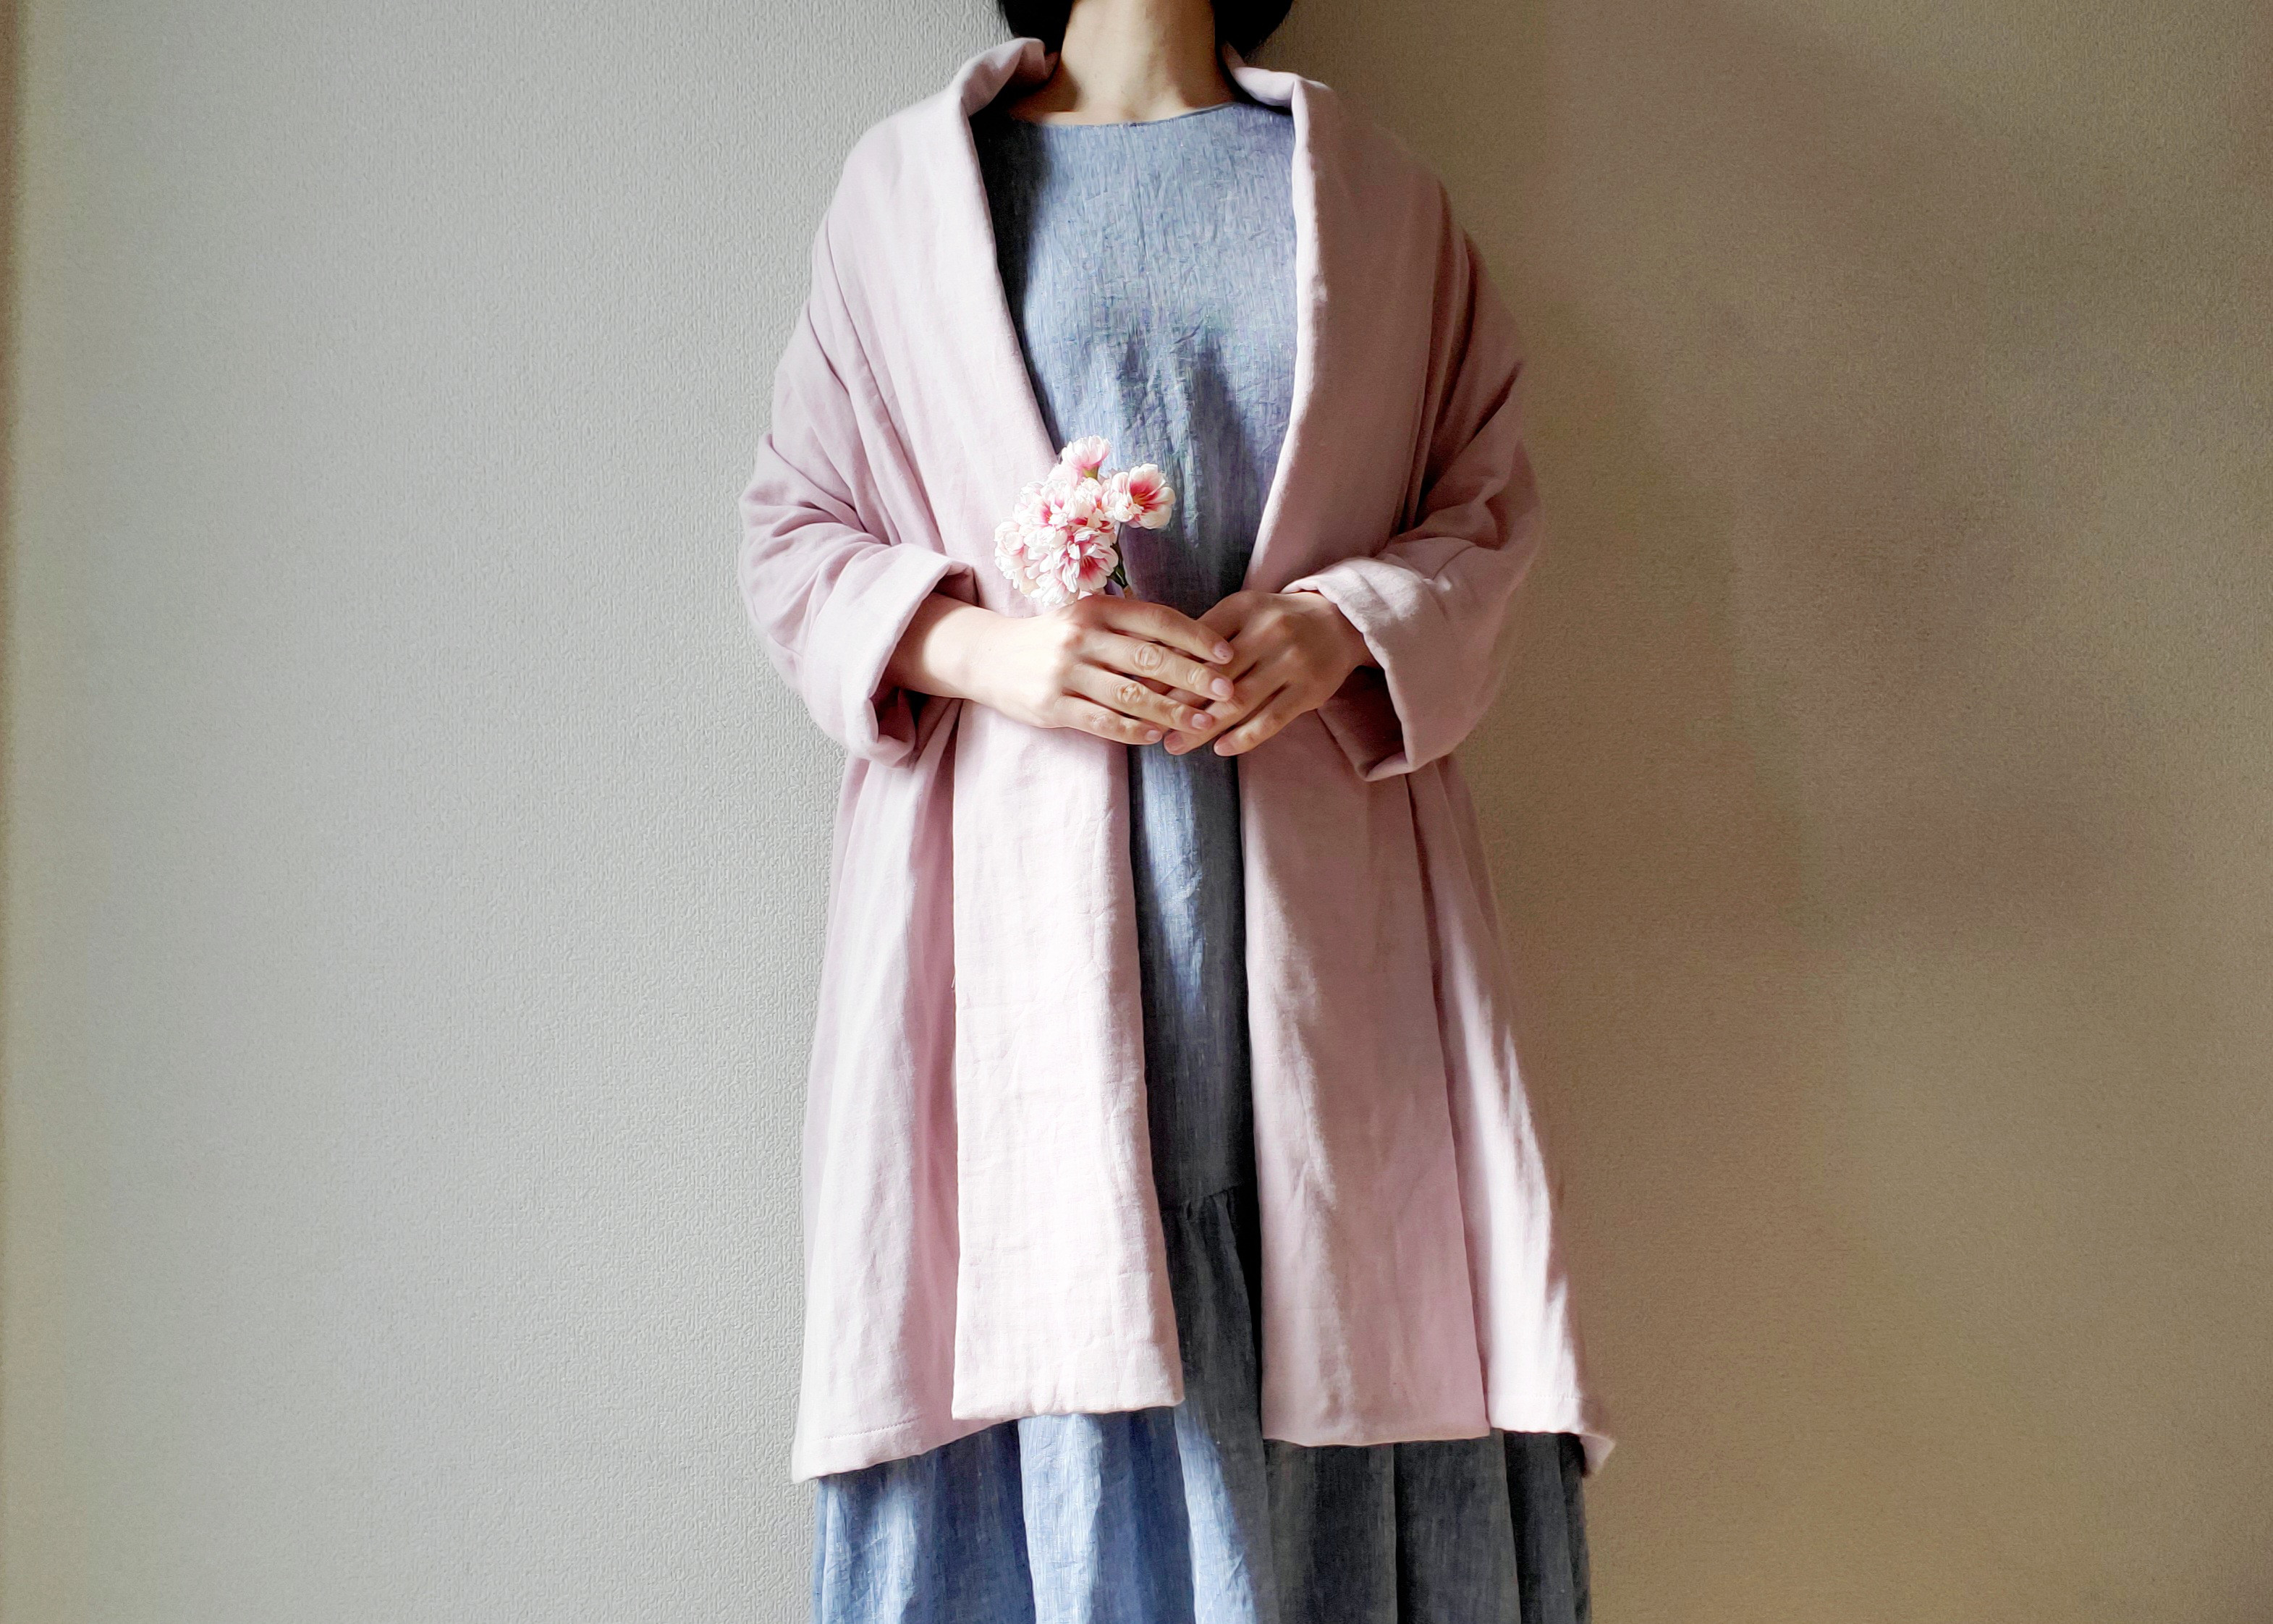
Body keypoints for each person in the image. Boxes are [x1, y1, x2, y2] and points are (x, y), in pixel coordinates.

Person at [739, 1, 1611, 1617]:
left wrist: (1342, 622)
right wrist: (994, 650)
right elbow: (796, 536)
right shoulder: (913, 192)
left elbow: (1483, 512)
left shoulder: (1374, 196)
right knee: (1046, 1291)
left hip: (1315, 919)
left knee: (1338, 1303)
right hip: (1005, 924)